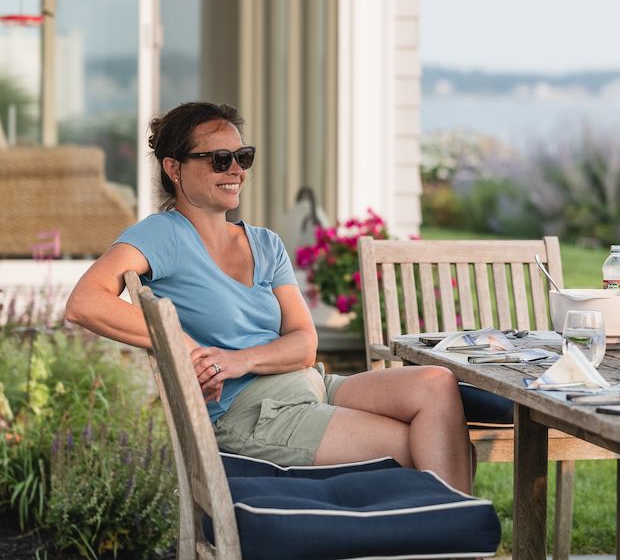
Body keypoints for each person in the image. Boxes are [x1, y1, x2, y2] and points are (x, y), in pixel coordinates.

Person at [65, 101, 473, 491]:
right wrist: (186, 348)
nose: (236, 170)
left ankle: (450, 535)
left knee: (436, 384)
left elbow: (304, 343)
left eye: (242, 156)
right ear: (174, 168)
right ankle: (455, 538)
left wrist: (237, 359)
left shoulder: (265, 243)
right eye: (218, 160)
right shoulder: (163, 235)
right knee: (428, 446)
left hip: (310, 386)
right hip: (250, 413)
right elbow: (85, 302)